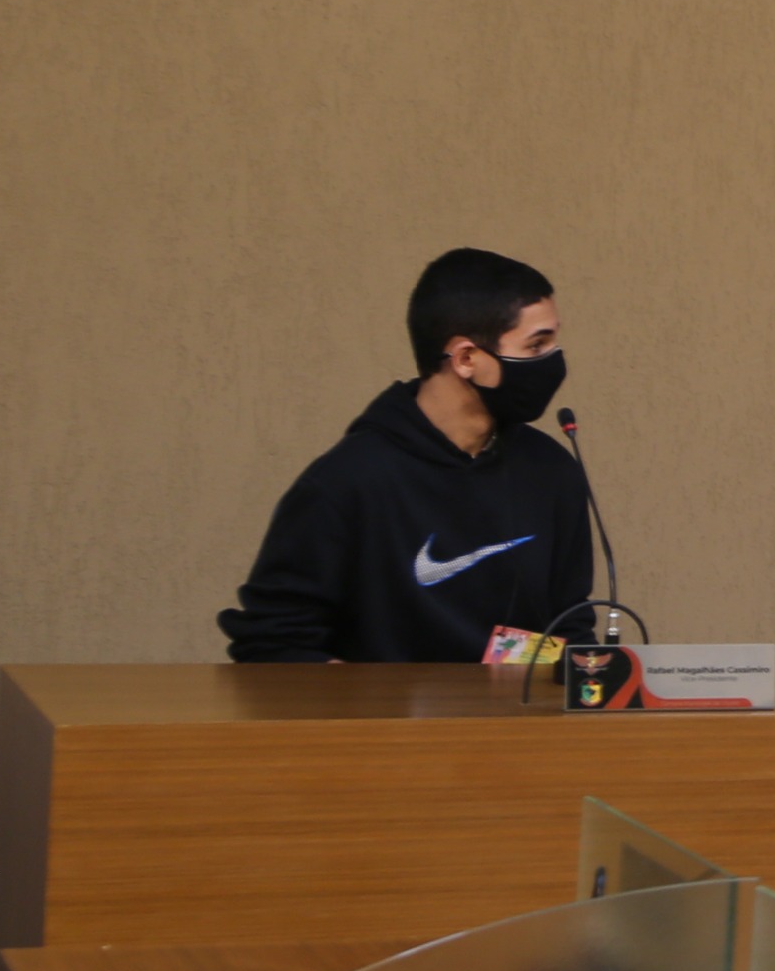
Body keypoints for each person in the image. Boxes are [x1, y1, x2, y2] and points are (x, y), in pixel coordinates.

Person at [220, 248, 596, 663]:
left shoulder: (551, 471)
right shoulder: (346, 482)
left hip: (515, 707)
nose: (553, 361)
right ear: (466, 359)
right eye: (536, 345)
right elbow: (272, 643)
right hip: (383, 708)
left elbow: (570, 626)